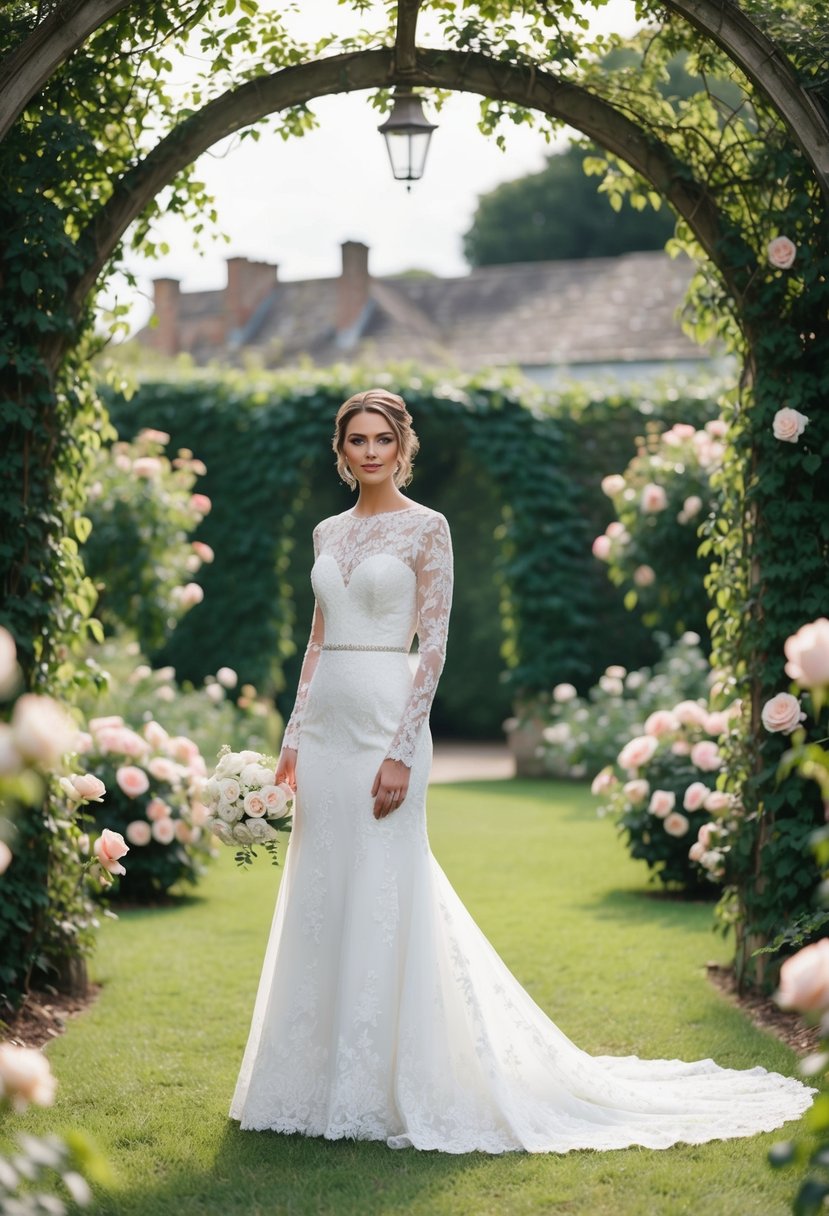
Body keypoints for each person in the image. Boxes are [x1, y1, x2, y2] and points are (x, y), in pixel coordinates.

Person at [229, 387, 813, 1153]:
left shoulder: (426, 528)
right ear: (339, 452)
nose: (367, 451)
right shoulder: (325, 532)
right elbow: (313, 643)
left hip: (385, 721)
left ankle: (389, 1082)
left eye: (379, 439)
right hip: (328, 729)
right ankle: (306, 1085)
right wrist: (291, 742)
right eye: (354, 441)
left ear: (400, 447)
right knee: (320, 888)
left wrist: (403, 749)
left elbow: (431, 645)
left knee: (383, 885)